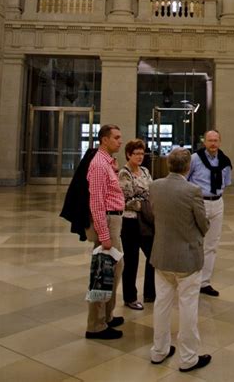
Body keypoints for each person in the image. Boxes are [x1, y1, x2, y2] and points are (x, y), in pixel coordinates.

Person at [149, 147, 211, 373]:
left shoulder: (154, 186)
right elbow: (203, 224)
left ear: (168, 164)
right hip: (187, 257)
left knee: (162, 304)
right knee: (188, 306)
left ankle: (159, 350)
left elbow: (153, 214)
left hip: (162, 254)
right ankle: (188, 358)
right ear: (188, 167)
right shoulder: (193, 190)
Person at [85, 124, 125, 340]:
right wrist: (104, 235)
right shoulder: (99, 165)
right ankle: (96, 325)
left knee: (116, 268)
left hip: (114, 220)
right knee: (103, 273)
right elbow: (97, 203)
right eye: (116, 138)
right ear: (104, 140)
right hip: (107, 221)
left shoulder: (108, 162)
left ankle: (107, 315)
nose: (120, 141)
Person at [187, 130, 232, 296]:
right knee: (194, 242)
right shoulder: (194, 159)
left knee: (212, 244)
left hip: (217, 202)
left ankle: (204, 282)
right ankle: (190, 279)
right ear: (204, 142)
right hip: (199, 202)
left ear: (220, 142)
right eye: (210, 140)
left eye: (216, 140)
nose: (213, 143)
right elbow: (185, 179)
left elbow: (226, 183)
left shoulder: (225, 161)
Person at [118, 139, 155, 310]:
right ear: (128, 154)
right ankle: (130, 297)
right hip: (130, 222)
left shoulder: (145, 171)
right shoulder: (124, 173)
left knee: (153, 256)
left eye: (142, 153)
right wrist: (145, 201)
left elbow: (152, 192)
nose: (140, 156)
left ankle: (150, 293)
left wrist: (144, 200)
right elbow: (126, 200)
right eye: (136, 153)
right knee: (131, 260)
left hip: (146, 221)